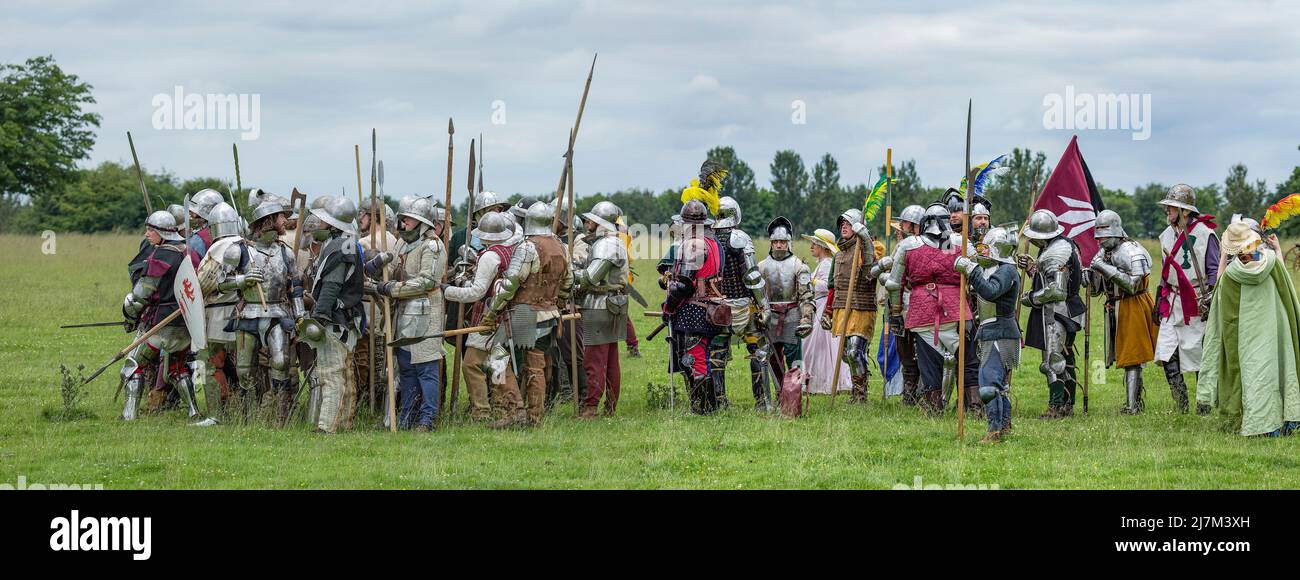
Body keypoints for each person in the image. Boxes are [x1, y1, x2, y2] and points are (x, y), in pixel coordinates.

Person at [1198, 222, 1300, 437]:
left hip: (1245, 337)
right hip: (1274, 331)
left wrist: (1224, 258)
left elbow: (1218, 292)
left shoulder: (1231, 275)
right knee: (1278, 370)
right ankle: (1286, 421)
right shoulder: (1271, 262)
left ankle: (1260, 425)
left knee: (1253, 375)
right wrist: (1278, 250)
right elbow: (1287, 290)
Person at [478, 201, 572, 427]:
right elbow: (568, 283)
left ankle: (513, 411)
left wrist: (492, 312)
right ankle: (535, 417)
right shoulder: (561, 246)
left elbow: (510, 284)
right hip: (550, 314)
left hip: (524, 313)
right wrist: (556, 302)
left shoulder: (528, 247)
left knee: (496, 358)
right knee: (536, 364)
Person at [886, 203, 977, 416]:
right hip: (957, 311)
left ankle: (935, 407)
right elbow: (978, 276)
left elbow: (893, 284)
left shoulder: (909, 245)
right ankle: (974, 407)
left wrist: (896, 312)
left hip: (921, 313)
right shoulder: (958, 242)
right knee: (969, 361)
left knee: (930, 364)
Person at [368, 196, 448, 431]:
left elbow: (426, 281)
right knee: (406, 368)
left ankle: (426, 420)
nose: (403, 223)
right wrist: (378, 268)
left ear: (422, 222)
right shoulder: (402, 243)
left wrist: (393, 288)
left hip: (426, 310)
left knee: (426, 367)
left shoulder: (432, 246)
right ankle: (406, 417)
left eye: (409, 219)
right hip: (402, 310)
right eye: (402, 218)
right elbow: (392, 269)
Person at [226, 189, 302, 422]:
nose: (284, 221)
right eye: (280, 217)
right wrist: (243, 279)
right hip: (248, 312)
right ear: (268, 220)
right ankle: (248, 416)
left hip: (277, 312)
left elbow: (295, 286)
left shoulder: (284, 252)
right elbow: (222, 283)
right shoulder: (239, 250)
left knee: (280, 362)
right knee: (244, 371)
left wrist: (300, 316)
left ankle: (281, 415)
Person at [119, 210, 196, 421]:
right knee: (177, 369)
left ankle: (129, 415)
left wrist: (130, 318)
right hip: (183, 322)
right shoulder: (186, 253)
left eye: (151, 230)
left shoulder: (161, 255)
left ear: (162, 232)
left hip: (159, 324)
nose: (147, 234)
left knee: (133, 367)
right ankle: (193, 411)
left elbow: (140, 296)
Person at [300, 197, 365, 433]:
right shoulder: (347, 242)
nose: (317, 224)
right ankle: (344, 422)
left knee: (331, 373)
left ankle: (327, 427)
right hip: (346, 318)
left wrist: (319, 316)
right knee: (344, 374)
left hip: (336, 318)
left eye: (322, 220)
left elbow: (332, 286)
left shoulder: (339, 248)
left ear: (332, 224)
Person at [444, 211, 517, 422]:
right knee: (498, 363)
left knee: (471, 364)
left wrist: (447, 290)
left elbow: (477, 292)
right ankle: (502, 408)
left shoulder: (490, 256)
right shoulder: (508, 251)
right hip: (503, 313)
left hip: (488, 315)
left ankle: (482, 411)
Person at [1155, 184, 1220, 414]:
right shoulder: (1166, 235)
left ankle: (1204, 407)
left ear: (1184, 211)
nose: (1167, 212)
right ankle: (1181, 406)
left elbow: (1214, 269)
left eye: (1171, 208)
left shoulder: (1205, 234)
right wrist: (1158, 298)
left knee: (1200, 356)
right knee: (1167, 353)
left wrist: (1212, 299)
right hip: (1172, 302)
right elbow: (1165, 272)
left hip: (1197, 302)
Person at [954, 226, 1021, 443]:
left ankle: (994, 431)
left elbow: (991, 292)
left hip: (1000, 331)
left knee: (988, 386)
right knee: (997, 385)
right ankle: (1003, 426)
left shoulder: (1007, 271)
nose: (984, 251)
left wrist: (972, 270)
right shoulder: (996, 269)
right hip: (992, 330)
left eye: (987, 247)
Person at [1088, 210, 1158, 414]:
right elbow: (1096, 290)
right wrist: (1089, 277)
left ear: (1115, 232)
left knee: (1133, 356)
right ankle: (1133, 402)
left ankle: (1132, 406)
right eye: (1098, 236)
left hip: (1133, 304)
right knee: (1126, 355)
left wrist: (1102, 267)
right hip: (1116, 306)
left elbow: (1132, 286)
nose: (1100, 241)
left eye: (1104, 236)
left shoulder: (1132, 251)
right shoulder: (1103, 252)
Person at [1019, 209, 1086, 419]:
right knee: (1063, 357)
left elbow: (1056, 290)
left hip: (1059, 311)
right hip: (1062, 310)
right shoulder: (1059, 245)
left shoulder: (1058, 251)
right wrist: (1032, 267)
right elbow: (1046, 278)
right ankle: (1067, 404)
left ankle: (1056, 407)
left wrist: (1030, 298)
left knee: (1053, 360)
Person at [663, 200, 727, 414]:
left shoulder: (693, 244)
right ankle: (708, 405)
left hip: (695, 309)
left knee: (695, 358)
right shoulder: (714, 242)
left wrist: (669, 306)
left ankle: (703, 408)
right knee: (701, 357)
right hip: (711, 307)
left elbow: (684, 284)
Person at [709, 196, 769, 409]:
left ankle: (719, 402)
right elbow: (751, 276)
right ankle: (762, 402)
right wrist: (764, 305)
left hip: (717, 306)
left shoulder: (709, 238)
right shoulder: (740, 237)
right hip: (745, 304)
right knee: (759, 350)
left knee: (717, 353)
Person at [574, 201, 631, 418]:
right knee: (609, 361)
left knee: (594, 360)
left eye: (592, 219)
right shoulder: (612, 242)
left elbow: (590, 277)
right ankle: (609, 407)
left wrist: (569, 275)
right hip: (611, 304)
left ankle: (590, 408)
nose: (587, 222)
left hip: (600, 305)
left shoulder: (607, 244)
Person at [194, 201, 246, 424]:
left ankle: (217, 415)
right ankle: (243, 413)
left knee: (209, 365)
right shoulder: (247, 244)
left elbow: (202, 284)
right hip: (243, 315)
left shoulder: (219, 248)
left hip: (218, 316)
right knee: (240, 368)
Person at [821, 208, 879, 403]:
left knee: (854, 352)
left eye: (848, 224)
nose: (843, 227)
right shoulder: (838, 255)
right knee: (847, 355)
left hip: (861, 307)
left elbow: (870, 272)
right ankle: (856, 388)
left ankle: (861, 395)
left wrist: (866, 240)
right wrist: (828, 310)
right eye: (841, 224)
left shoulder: (866, 248)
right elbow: (831, 286)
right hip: (841, 307)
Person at [756, 217, 814, 408]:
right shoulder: (762, 267)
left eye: (782, 242)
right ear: (771, 243)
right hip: (769, 316)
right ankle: (780, 392)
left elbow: (806, 295)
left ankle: (795, 394)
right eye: (776, 242)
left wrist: (806, 318)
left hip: (791, 316)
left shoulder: (799, 266)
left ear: (788, 242)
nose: (779, 245)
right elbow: (756, 295)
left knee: (794, 358)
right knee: (772, 358)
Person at [801, 228, 852, 395]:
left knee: (821, 346)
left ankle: (825, 382)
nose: (812, 246)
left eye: (815, 244)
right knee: (814, 345)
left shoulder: (827, 263)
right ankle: (817, 381)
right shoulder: (822, 263)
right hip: (818, 305)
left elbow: (827, 286)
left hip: (824, 306)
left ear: (823, 247)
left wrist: (810, 279)